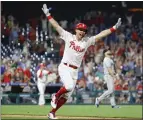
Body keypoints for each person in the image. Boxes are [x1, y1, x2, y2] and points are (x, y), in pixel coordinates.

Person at [42, 4, 122, 119]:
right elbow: (57, 26)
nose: (82, 31)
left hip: (74, 71)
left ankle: (52, 112)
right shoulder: (68, 36)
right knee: (68, 86)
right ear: (76, 30)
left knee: (66, 96)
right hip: (65, 67)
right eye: (80, 29)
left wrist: (113, 28)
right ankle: (55, 95)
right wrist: (48, 15)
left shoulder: (87, 41)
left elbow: (100, 35)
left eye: (84, 30)